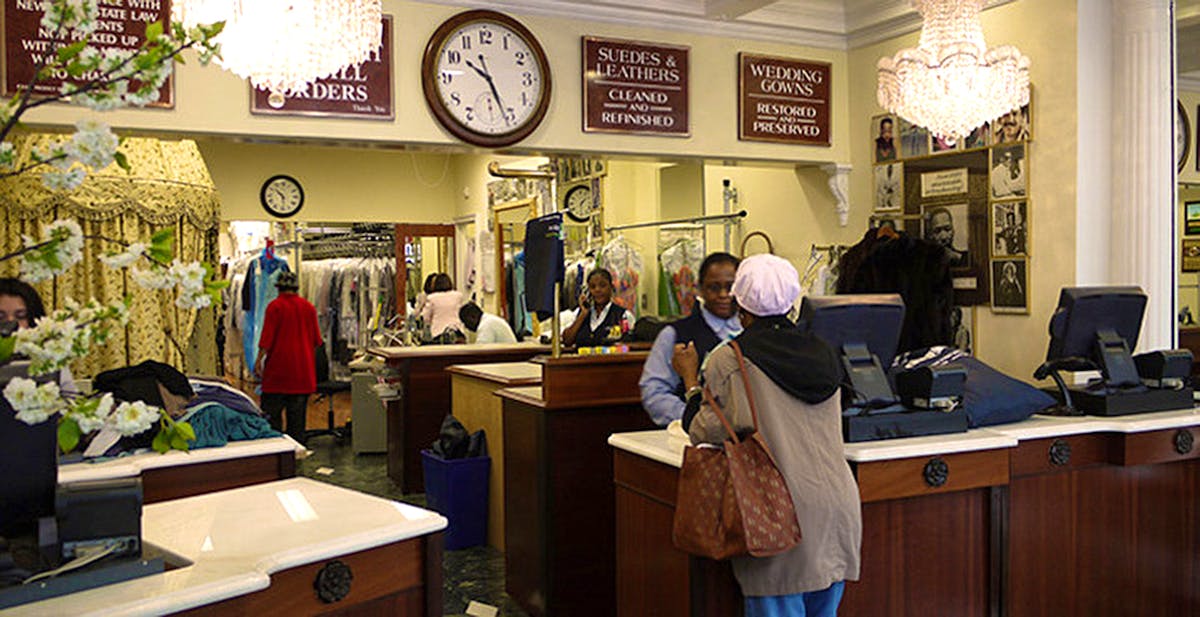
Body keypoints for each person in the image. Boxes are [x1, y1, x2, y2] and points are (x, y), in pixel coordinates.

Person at [677, 254, 861, 616]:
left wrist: (689, 382)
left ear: (740, 303)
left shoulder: (730, 359)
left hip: (776, 512)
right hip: (838, 507)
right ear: (792, 301)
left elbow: (704, 428)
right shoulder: (825, 352)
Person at [639, 252, 742, 426]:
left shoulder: (751, 330)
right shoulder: (675, 335)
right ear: (700, 289)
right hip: (693, 437)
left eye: (731, 287)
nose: (724, 295)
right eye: (714, 287)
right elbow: (654, 392)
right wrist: (691, 418)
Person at [254, 271, 322, 443]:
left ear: (279, 288)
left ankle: (276, 453)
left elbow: (266, 340)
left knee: (272, 419)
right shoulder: (309, 307)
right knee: (297, 422)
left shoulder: (275, 307)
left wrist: (258, 360)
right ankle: (296, 456)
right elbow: (316, 340)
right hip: (302, 372)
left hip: (278, 372)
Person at [0, 278, 76, 394]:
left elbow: (69, 401)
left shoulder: (49, 359)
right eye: (0, 317)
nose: (11, 324)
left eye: (21, 316)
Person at [562, 268, 634, 347]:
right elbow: (567, 341)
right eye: (593, 287)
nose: (597, 290)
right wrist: (582, 315)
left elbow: (627, 347)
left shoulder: (623, 315)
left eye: (602, 285)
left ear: (611, 287)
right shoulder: (579, 313)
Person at [420, 273, 464, 340]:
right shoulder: (458, 296)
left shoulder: (432, 298)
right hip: (457, 331)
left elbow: (426, 317)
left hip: (438, 333)